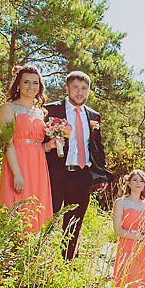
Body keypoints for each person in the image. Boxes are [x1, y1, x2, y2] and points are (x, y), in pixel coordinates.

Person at [44, 71, 112, 260]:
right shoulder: (51, 110)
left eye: (84, 88)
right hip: (56, 174)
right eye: (75, 88)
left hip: (82, 176)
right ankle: (40, 262)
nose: (80, 92)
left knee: (74, 224)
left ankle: (68, 265)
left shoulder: (94, 116)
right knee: (47, 219)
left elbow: (97, 146)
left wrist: (102, 174)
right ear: (67, 89)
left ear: (89, 90)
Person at [0, 65, 54, 232]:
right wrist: (17, 174)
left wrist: (49, 145)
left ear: (40, 87)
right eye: (26, 82)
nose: (31, 86)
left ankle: (33, 245)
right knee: (17, 206)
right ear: (18, 85)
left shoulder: (40, 113)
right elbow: (7, 142)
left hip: (38, 166)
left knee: (37, 206)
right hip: (17, 163)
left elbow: (36, 144)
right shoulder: (8, 108)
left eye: (35, 83)